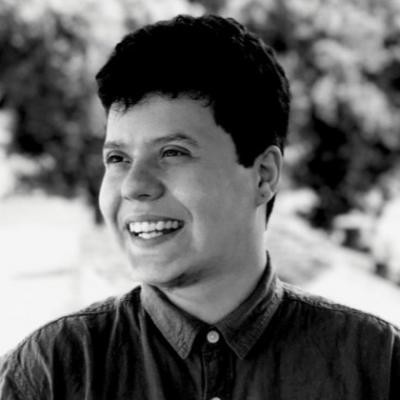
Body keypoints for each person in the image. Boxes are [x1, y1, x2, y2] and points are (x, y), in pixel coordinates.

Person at [0, 14, 399, 400]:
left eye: (172, 152)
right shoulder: (49, 372)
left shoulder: (379, 367)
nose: (134, 186)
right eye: (118, 159)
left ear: (263, 175)